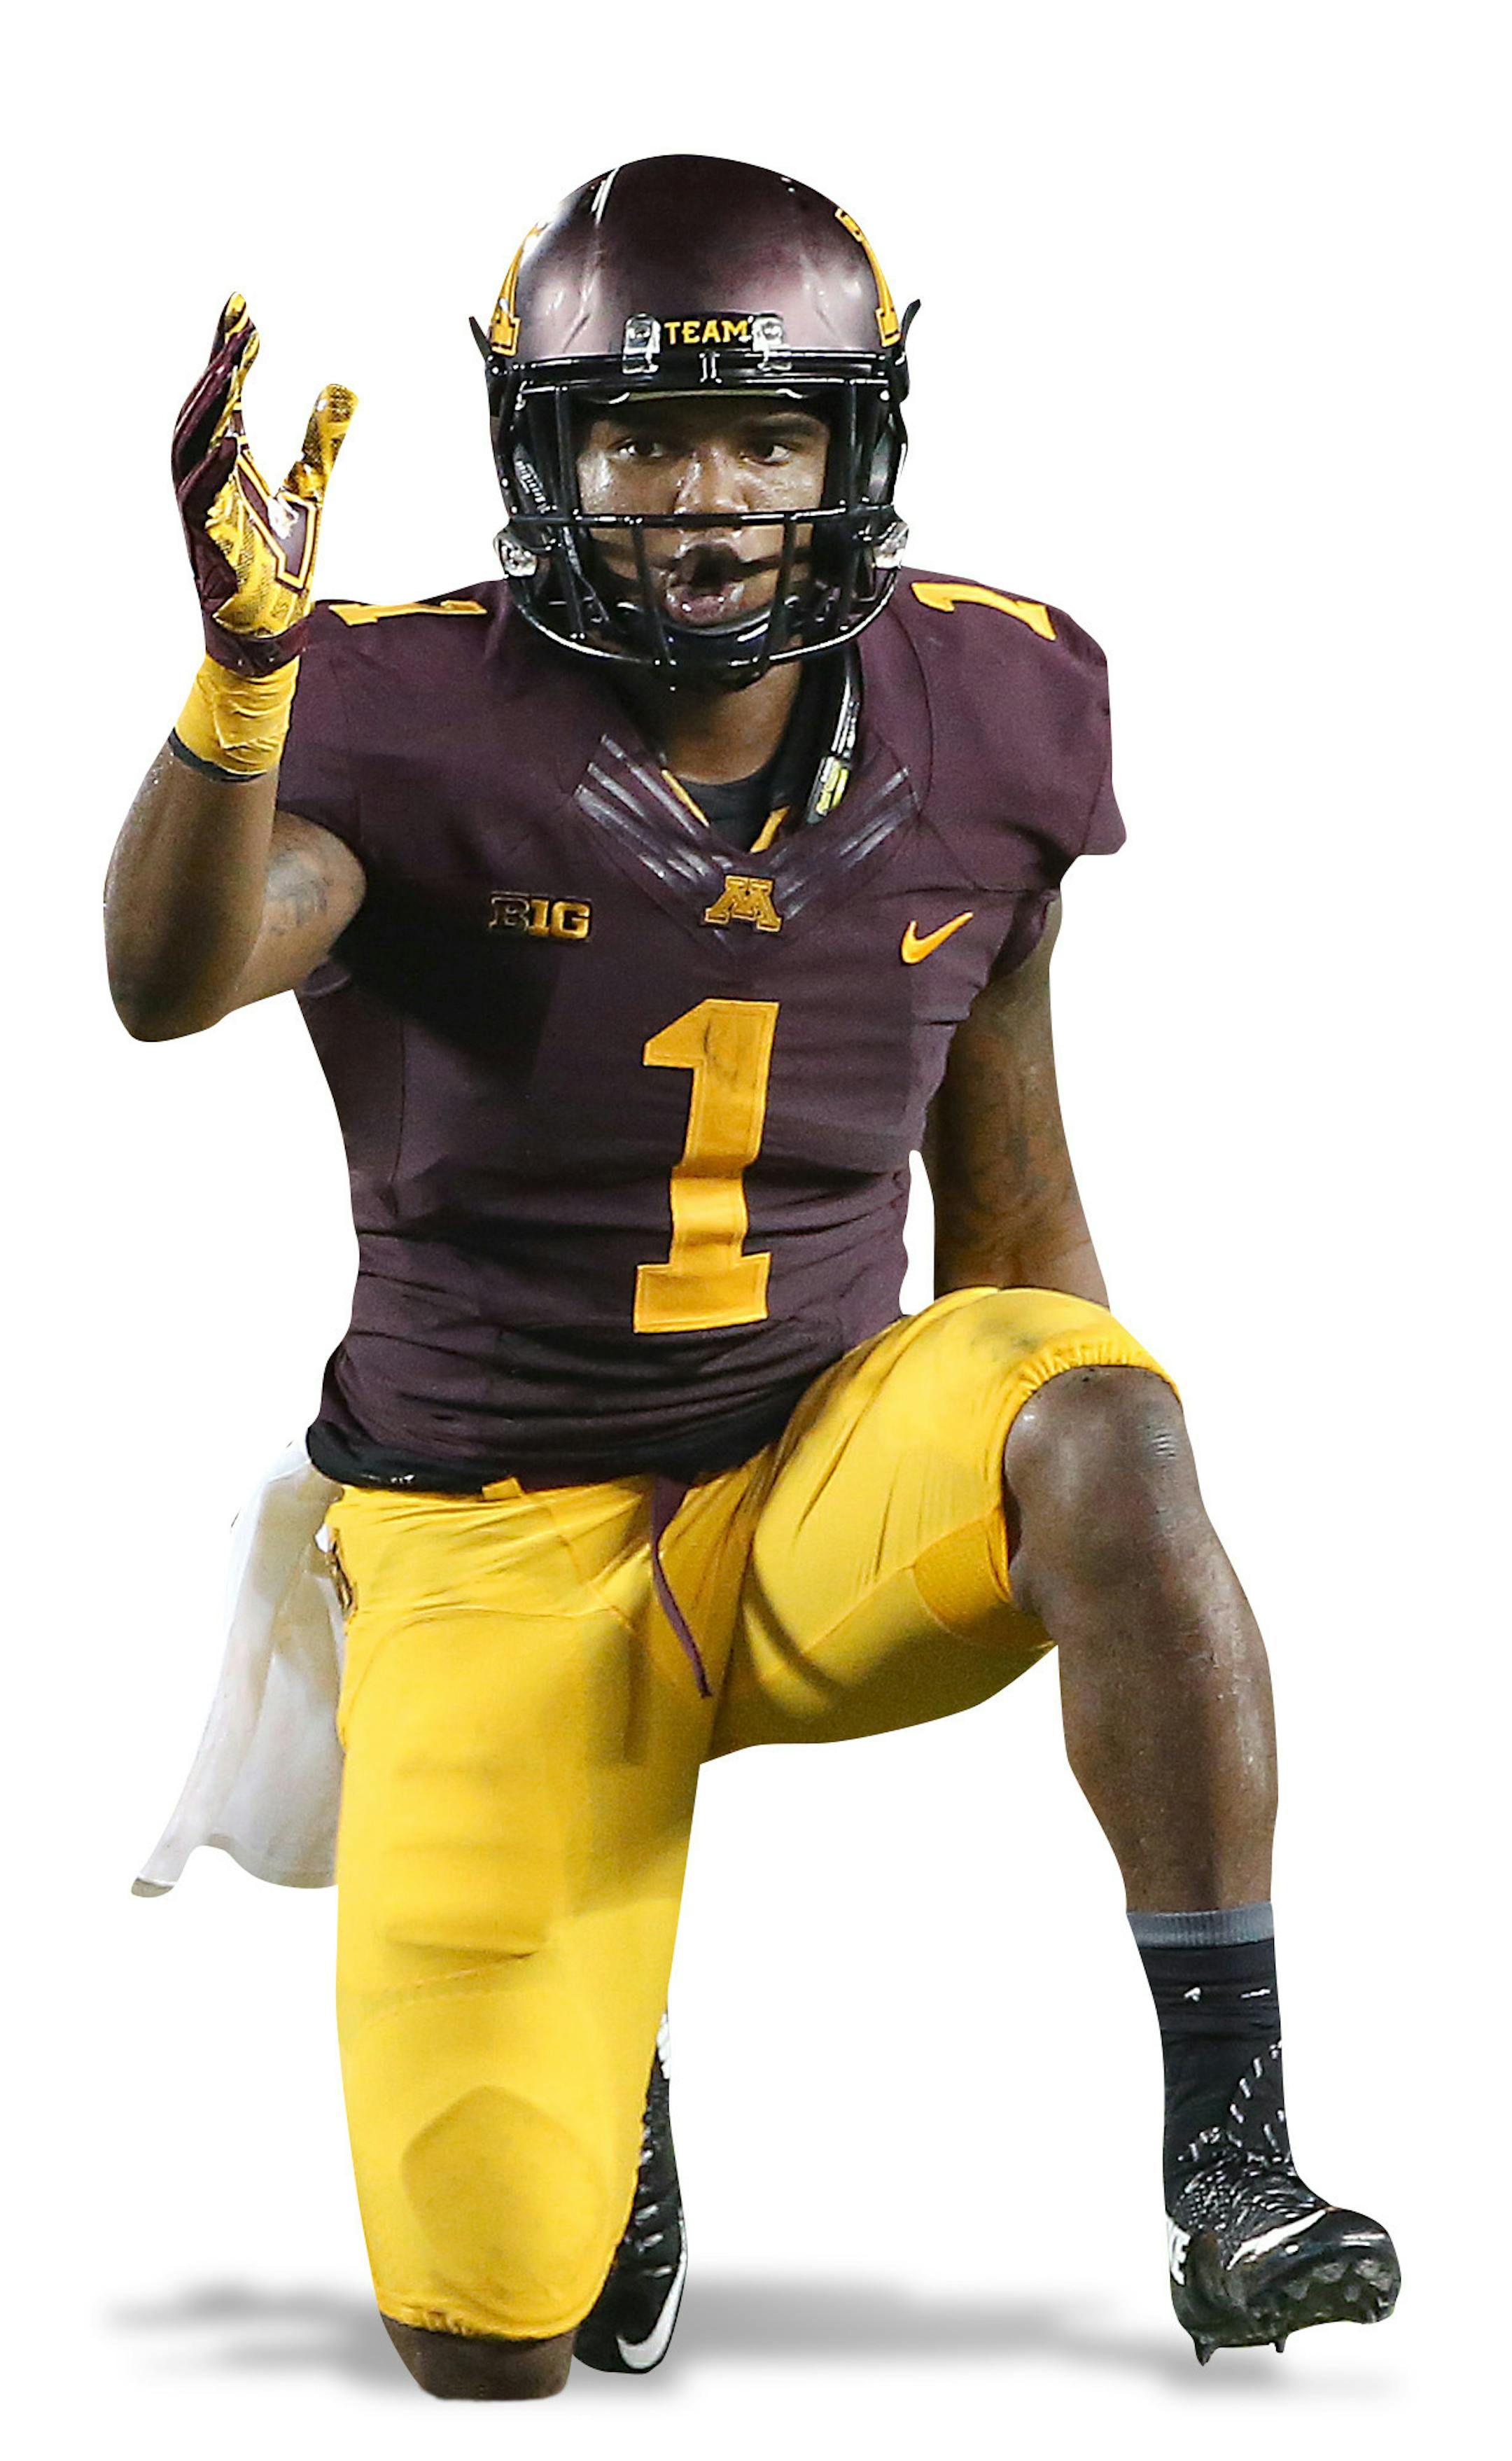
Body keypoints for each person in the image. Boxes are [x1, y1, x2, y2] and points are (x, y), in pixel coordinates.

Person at [104, 153, 1399, 2399]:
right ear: (547, 452)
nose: (705, 499)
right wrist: (236, 687)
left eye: (766, 437)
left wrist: (1087, 1474)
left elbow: (1011, 1195)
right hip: (489, 1529)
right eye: (641, 439)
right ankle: (608, 2067)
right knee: (489, 2344)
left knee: (1108, 1405)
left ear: (850, 447)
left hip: (809, 1478)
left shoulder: (998, 700)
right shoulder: (388, 705)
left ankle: (1235, 2158)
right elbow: (170, 975)